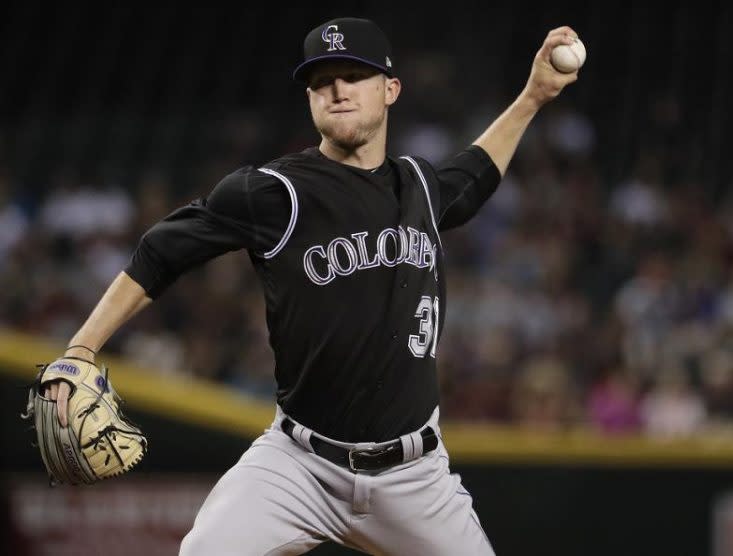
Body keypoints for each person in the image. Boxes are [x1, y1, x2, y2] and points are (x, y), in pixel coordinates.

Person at [47, 17, 579, 555]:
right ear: (309, 98)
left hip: (415, 478)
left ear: (390, 90)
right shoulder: (272, 192)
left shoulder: (418, 185)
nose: (338, 90)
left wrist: (533, 96)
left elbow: (472, 178)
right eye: (323, 80)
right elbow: (159, 253)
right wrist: (81, 348)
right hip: (297, 467)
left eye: (354, 74)